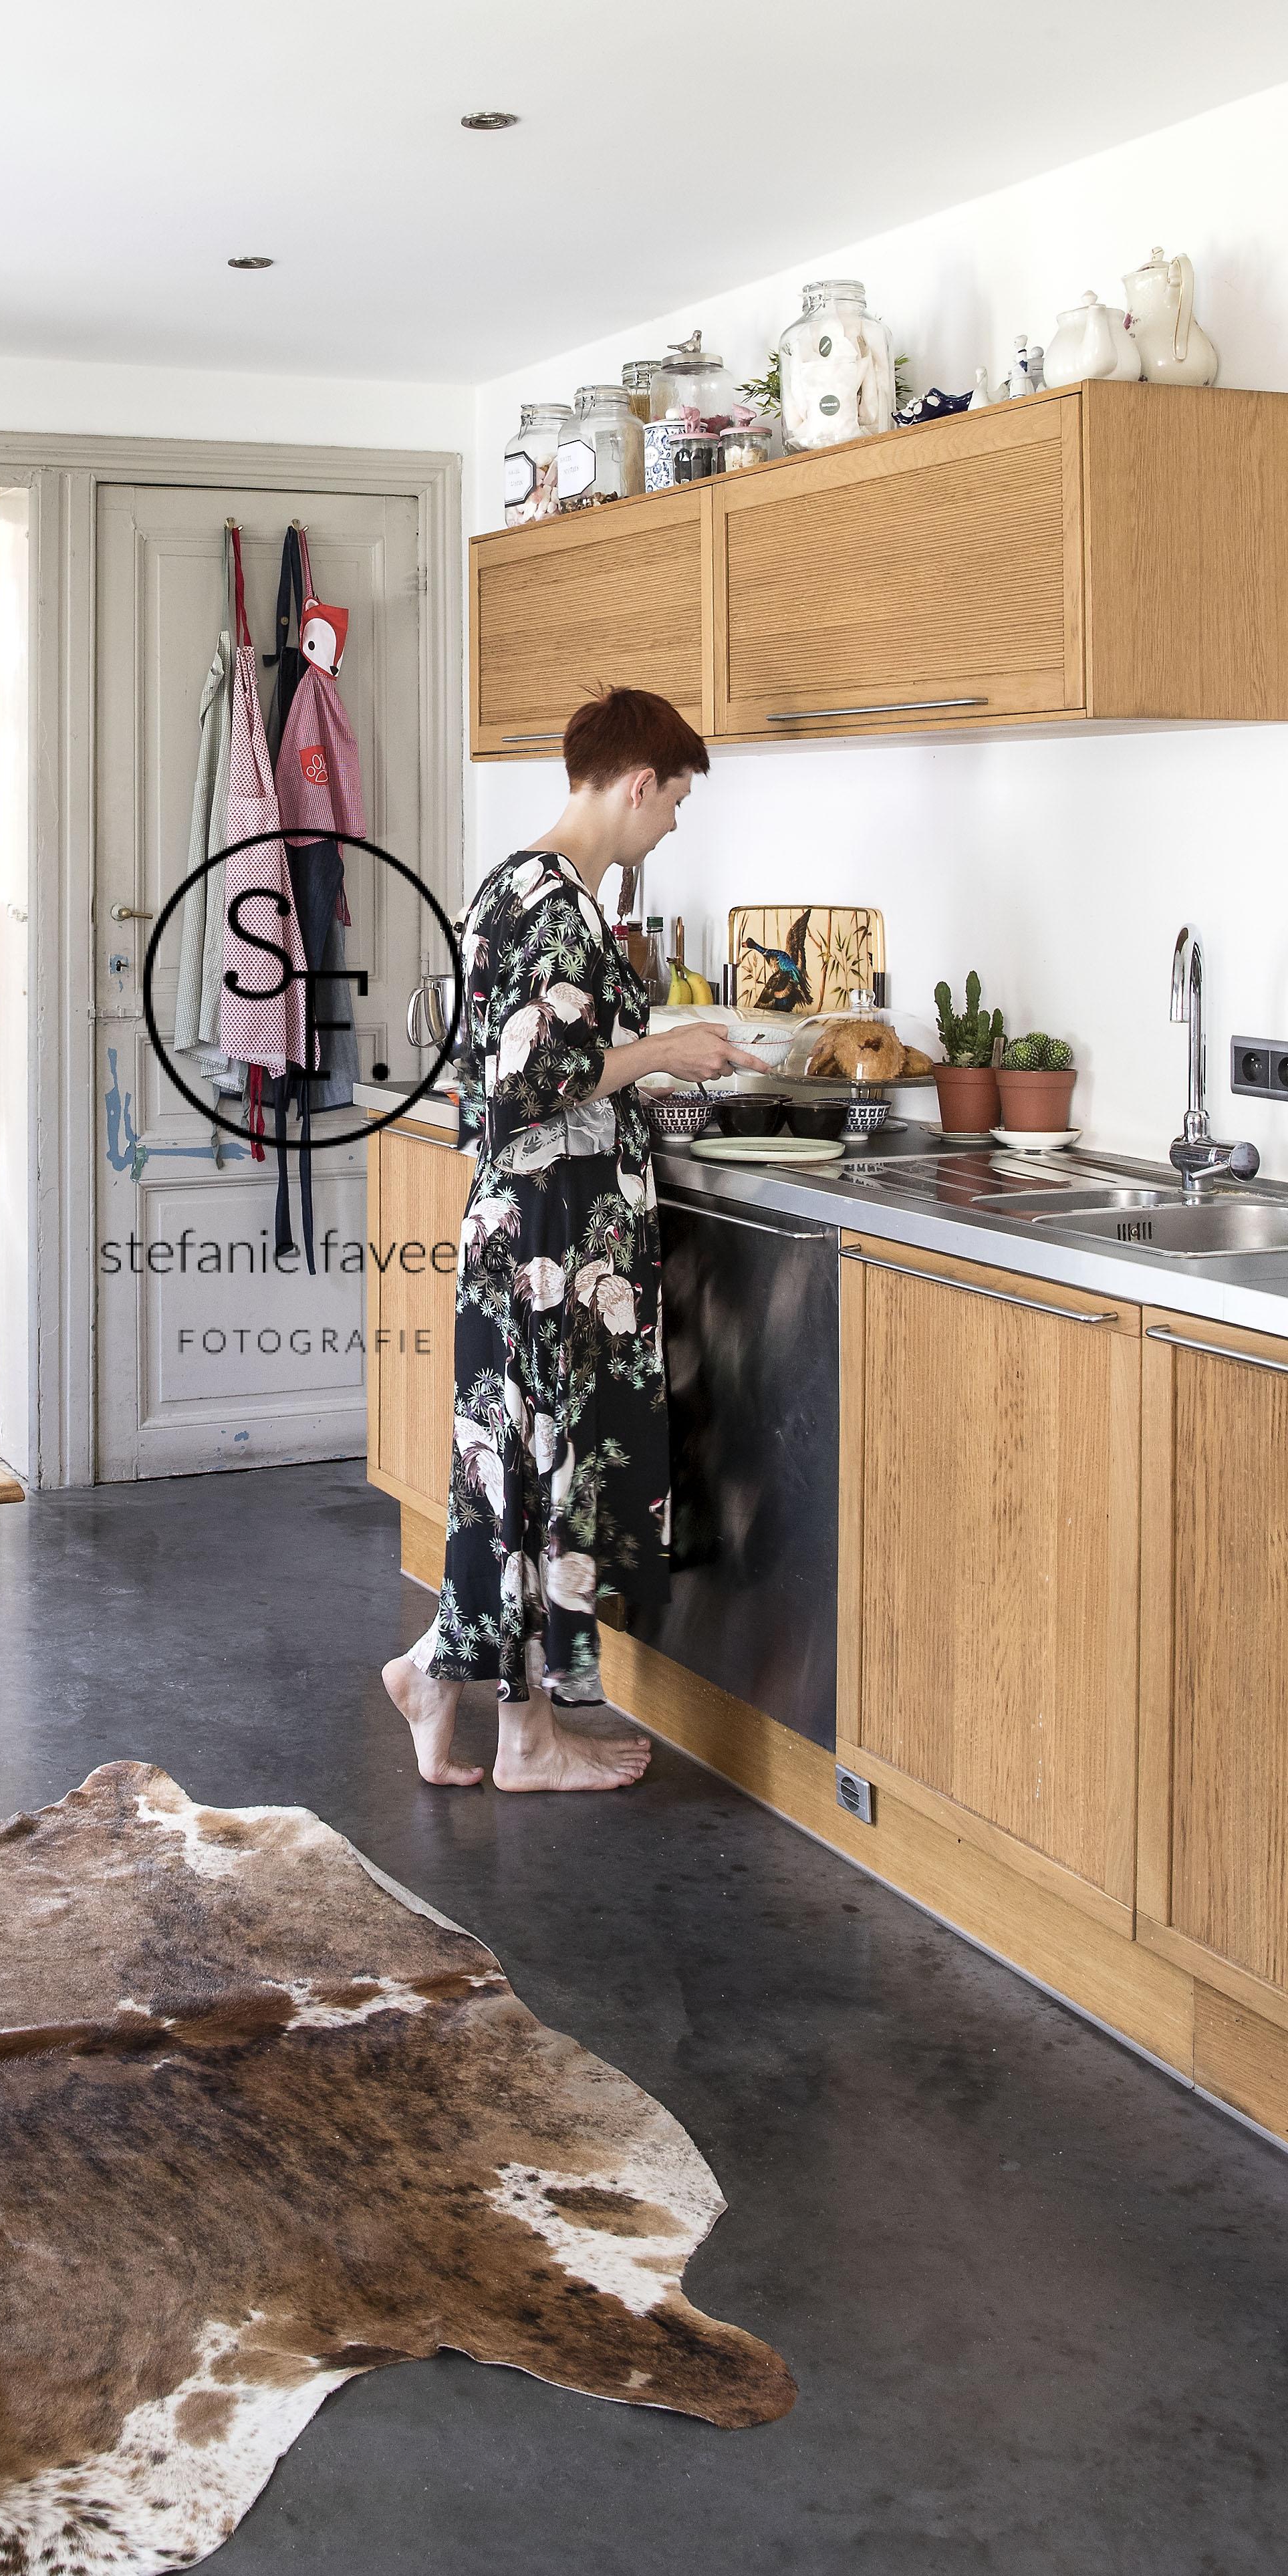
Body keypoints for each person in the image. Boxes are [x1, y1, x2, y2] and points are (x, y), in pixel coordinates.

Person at [383, 688, 763, 1789]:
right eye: (675, 800)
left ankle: (443, 1679)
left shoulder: (514, 884)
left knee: (511, 1472)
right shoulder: (563, 910)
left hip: (517, 1229)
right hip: (559, 1243)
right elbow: (530, 1085)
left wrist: (642, 1069)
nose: (674, 824)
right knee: (551, 1479)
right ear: (638, 785)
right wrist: (667, 1052)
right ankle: (523, 1739)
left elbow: (513, 1074)